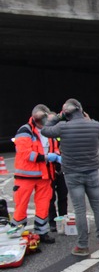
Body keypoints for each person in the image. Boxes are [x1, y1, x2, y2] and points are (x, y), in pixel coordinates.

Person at [41, 98, 99, 256]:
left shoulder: (62, 127)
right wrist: (89, 119)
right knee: (97, 207)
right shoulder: (94, 125)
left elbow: (45, 130)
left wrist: (58, 116)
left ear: (66, 113)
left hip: (73, 174)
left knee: (80, 210)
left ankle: (82, 245)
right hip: (92, 172)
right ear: (81, 110)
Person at [10, 104, 59, 244]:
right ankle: (17, 234)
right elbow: (25, 153)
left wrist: (56, 155)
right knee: (21, 205)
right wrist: (45, 157)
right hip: (26, 177)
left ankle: (42, 233)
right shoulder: (24, 131)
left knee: (43, 204)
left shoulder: (47, 131)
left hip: (44, 176)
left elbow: (54, 147)